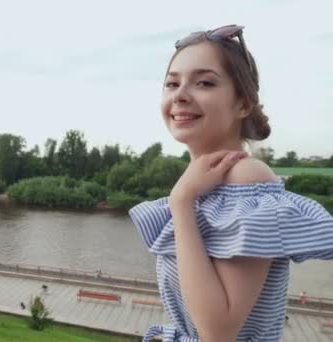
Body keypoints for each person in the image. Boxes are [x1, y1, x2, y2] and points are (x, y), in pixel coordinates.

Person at [129, 25, 333, 341]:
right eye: (172, 83)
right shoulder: (205, 184)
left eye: (204, 82)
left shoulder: (246, 180)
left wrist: (181, 201)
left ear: (243, 104)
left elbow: (217, 332)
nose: (180, 94)